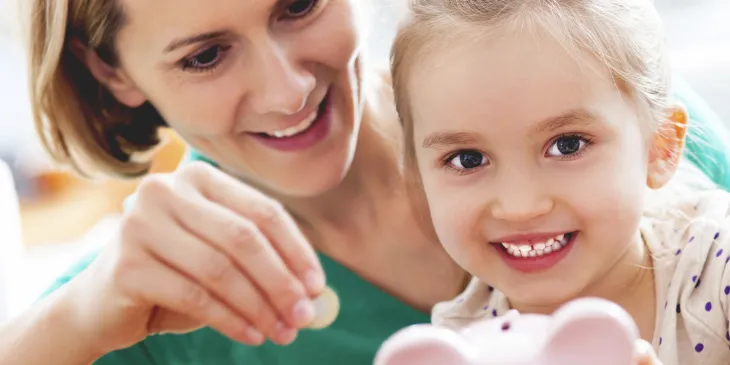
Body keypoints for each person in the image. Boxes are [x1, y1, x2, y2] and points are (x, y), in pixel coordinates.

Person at [0, 0, 727, 364]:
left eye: (298, 4)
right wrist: (79, 316)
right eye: (205, 56)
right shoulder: (155, 299)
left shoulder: (606, 95)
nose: (287, 91)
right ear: (113, 72)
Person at [390, 0, 730, 364]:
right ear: (419, 177)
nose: (520, 206)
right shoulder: (460, 343)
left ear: (660, 147)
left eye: (568, 146)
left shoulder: (717, 273)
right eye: (467, 159)